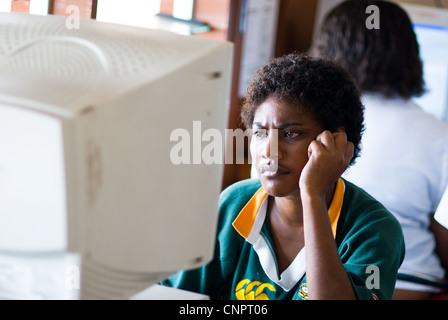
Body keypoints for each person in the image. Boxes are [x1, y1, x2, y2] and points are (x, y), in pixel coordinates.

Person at [162, 53, 404, 300]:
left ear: (337, 143)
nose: (269, 151)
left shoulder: (374, 230)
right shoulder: (234, 204)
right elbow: (174, 296)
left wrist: (312, 194)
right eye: (260, 133)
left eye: (291, 134)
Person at [315, 0, 448, 299]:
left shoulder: (308, 131)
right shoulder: (440, 138)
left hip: (315, 281)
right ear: (411, 54)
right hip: (410, 286)